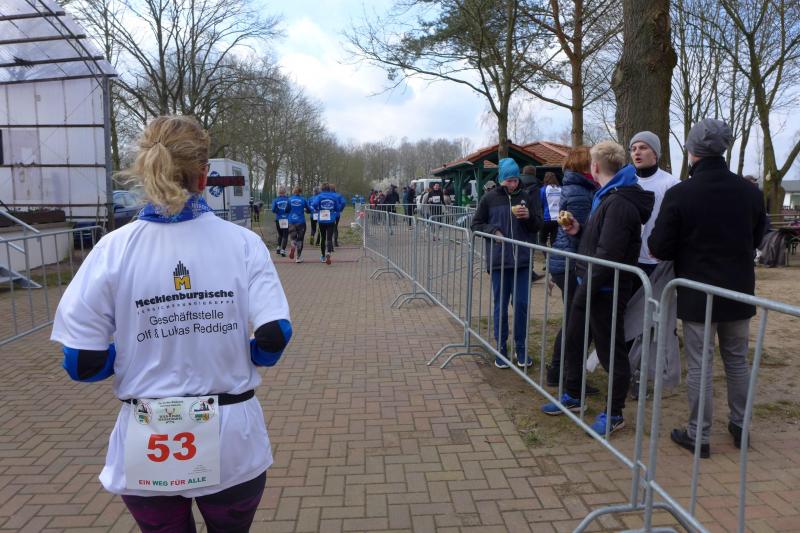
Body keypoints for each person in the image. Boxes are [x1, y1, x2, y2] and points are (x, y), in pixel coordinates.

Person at [50, 115, 292, 532]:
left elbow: (81, 362)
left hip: (148, 433)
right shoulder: (244, 244)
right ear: (205, 175)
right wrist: (248, 353)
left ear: (146, 170)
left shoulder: (111, 249)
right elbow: (275, 335)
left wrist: (126, 356)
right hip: (231, 431)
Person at [648, 118, 767, 458]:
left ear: (691, 150)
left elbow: (659, 246)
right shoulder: (750, 192)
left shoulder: (681, 193)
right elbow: (757, 238)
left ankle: (698, 435)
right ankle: (740, 426)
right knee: (737, 361)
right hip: (738, 290)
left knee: (701, 365)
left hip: (698, 292)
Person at [540, 141, 654, 437]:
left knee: (610, 351)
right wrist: (579, 232)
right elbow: (598, 244)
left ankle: (614, 413)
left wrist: (584, 292)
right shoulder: (606, 196)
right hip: (590, 284)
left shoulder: (619, 203)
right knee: (575, 340)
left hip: (605, 290)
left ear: (594, 167)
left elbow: (608, 255)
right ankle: (573, 395)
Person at [471, 158, 543, 369]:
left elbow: (537, 224)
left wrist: (528, 217)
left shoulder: (526, 197)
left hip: (522, 262)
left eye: (515, 180)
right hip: (499, 262)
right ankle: (501, 348)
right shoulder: (489, 198)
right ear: (501, 179)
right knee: (500, 306)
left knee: (521, 305)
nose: (512, 184)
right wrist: (493, 231)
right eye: (508, 180)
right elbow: (475, 224)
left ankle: (521, 348)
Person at [545, 146, 598, 387]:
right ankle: (566, 373)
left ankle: (560, 371)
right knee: (577, 323)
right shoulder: (579, 192)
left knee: (574, 320)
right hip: (572, 262)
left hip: (566, 261)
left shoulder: (576, 188)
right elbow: (577, 233)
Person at [629, 131, 680, 277]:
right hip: (628, 257)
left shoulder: (671, 184)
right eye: (633, 149)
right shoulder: (626, 182)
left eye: (643, 147)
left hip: (655, 260)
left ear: (655, 154)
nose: (637, 152)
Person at [309, 183, 342, 264]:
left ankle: (323, 256)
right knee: (329, 238)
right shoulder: (334, 197)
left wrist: (317, 209)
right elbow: (338, 208)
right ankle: (328, 253)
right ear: (329, 189)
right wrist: (334, 210)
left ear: (321, 189)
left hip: (322, 220)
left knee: (323, 238)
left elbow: (313, 205)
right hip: (331, 220)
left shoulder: (319, 196)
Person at [287, 186, 310, 263]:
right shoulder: (303, 200)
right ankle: (298, 257)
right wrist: (306, 210)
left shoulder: (289, 199)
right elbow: (309, 210)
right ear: (300, 192)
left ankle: (293, 245)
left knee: (293, 238)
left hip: (291, 221)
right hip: (301, 222)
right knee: (300, 239)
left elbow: (286, 210)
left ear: (293, 191)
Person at [539, 172, 561, 248]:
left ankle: (546, 255)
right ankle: (552, 255)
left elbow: (540, 203)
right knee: (554, 242)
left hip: (546, 219)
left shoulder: (543, 190)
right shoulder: (560, 189)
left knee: (542, 241)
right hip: (558, 219)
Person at [271, 187, 290, 256]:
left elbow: (273, 209)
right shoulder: (288, 199)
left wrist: (278, 211)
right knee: (285, 235)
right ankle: (283, 250)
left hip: (278, 219)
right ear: (285, 192)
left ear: (278, 192)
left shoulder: (275, 200)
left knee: (280, 234)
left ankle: (278, 248)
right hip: (286, 219)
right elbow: (290, 208)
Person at [330, 184, 346, 248]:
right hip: (336, 214)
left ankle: (329, 242)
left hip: (328, 215)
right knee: (335, 227)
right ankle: (335, 242)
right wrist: (340, 209)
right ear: (335, 189)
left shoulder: (327, 195)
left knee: (328, 228)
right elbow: (343, 203)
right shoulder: (338, 195)